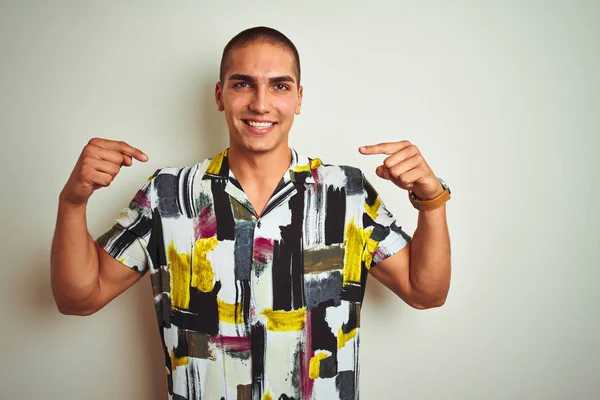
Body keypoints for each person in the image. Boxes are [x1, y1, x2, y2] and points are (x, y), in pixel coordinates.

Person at [51, 26, 451, 400]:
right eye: (243, 84)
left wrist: (431, 201)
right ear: (220, 95)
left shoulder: (345, 191)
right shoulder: (168, 194)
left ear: (298, 99)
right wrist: (72, 202)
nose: (261, 103)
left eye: (279, 85)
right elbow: (80, 298)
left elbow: (425, 291)